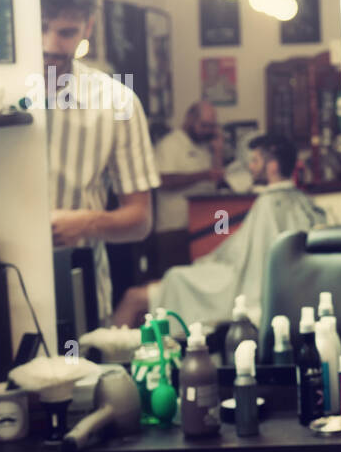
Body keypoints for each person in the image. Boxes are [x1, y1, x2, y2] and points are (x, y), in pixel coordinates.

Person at [40, 0, 160, 325]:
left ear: (87, 28)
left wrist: (85, 222)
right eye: (41, 28)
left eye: (66, 32)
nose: (50, 45)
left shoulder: (117, 103)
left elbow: (140, 220)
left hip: (82, 287)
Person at [113, 133, 328, 329]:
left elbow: (250, 267)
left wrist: (207, 263)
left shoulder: (268, 204)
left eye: (255, 161)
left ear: (272, 167)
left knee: (151, 288)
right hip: (278, 283)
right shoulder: (303, 202)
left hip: (239, 285)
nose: (251, 167)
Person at [153, 100, 227, 272]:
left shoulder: (204, 146)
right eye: (204, 125)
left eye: (212, 126)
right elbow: (163, 181)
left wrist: (218, 151)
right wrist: (203, 175)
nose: (208, 131)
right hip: (174, 229)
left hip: (202, 225)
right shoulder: (170, 144)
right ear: (190, 120)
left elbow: (215, 181)